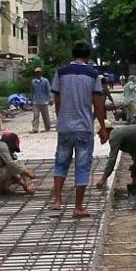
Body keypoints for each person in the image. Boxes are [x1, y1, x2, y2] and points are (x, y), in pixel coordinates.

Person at [51, 41, 108, 217]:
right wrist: (103, 128)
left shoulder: (60, 73)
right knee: (82, 167)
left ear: (73, 53)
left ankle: (58, 200)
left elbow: (57, 100)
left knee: (60, 163)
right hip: (84, 128)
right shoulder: (93, 75)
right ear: (88, 55)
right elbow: (98, 106)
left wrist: (61, 119)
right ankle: (78, 207)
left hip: (65, 127)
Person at [30, 66, 52, 133]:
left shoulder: (45, 81)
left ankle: (47, 127)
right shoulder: (33, 82)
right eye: (37, 72)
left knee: (45, 116)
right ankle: (35, 128)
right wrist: (31, 99)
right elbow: (32, 91)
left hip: (44, 101)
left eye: (39, 72)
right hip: (36, 101)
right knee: (35, 116)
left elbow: (48, 90)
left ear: (41, 73)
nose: (38, 73)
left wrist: (50, 99)